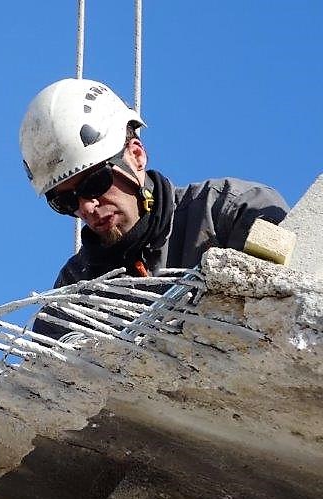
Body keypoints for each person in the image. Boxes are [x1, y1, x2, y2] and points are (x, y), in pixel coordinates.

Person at [19, 78, 289, 339]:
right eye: (65, 202)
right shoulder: (73, 294)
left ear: (136, 155)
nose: (87, 207)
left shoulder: (230, 211)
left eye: (95, 183)